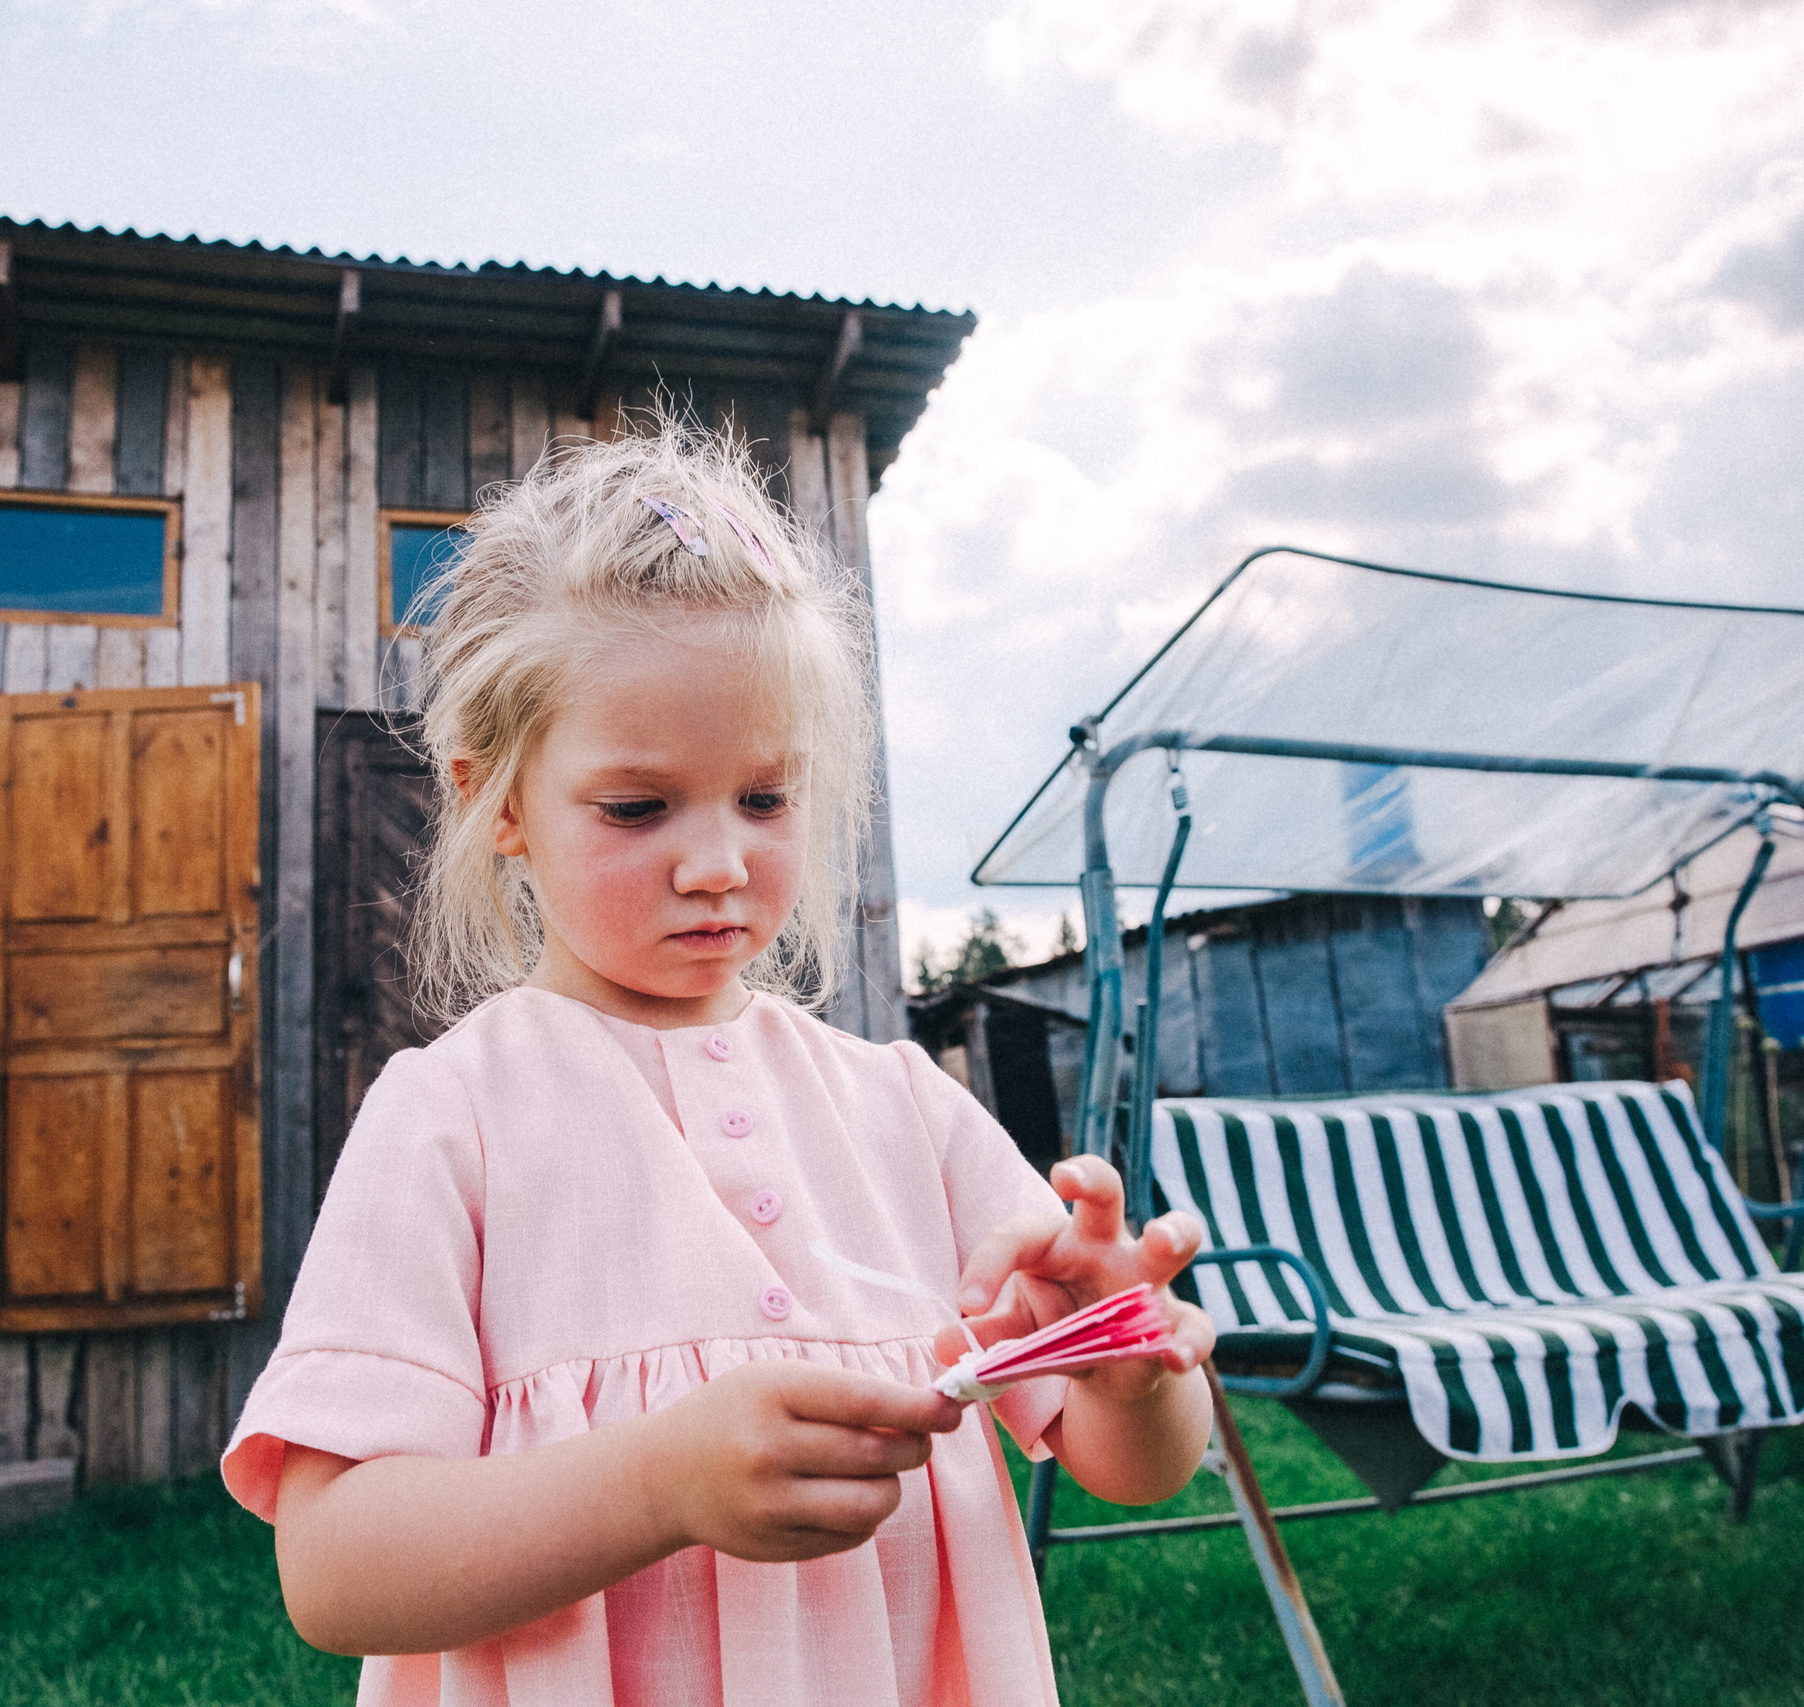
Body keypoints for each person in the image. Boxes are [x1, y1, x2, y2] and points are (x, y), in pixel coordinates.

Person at [221, 420, 1218, 1707]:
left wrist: (1125, 1364)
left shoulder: (903, 1110)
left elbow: (1125, 1466)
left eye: (765, 796)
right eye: (638, 807)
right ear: (498, 803)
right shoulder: (452, 1118)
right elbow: (338, 1571)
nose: (720, 863)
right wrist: (657, 1482)